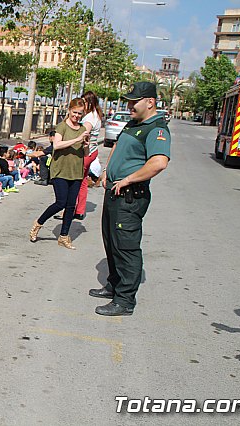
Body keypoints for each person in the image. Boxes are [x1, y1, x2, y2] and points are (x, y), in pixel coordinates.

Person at [89, 82, 170, 316]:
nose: (129, 105)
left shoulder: (156, 129)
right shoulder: (134, 123)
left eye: (134, 101)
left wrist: (128, 179)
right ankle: (114, 285)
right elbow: (116, 146)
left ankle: (124, 300)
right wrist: (106, 171)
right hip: (114, 191)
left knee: (126, 247)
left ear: (150, 102)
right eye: (129, 101)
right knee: (111, 242)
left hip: (130, 195)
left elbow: (159, 162)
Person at [29, 98, 89, 249]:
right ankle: (38, 223)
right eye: (74, 112)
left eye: (80, 114)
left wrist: (86, 144)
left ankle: (64, 236)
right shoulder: (61, 127)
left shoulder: (82, 129)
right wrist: (77, 139)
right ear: (69, 110)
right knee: (60, 202)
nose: (76, 116)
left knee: (70, 206)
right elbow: (57, 145)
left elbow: (85, 152)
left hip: (76, 171)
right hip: (60, 170)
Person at [75, 91, 104, 220]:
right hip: (93, 151)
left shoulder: (89, 118)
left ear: (89, 103)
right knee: (82, 181)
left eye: (83, 102)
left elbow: (83, 135)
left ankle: (72, 209)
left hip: (86, 153)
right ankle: (79, 210)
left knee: (75, 182)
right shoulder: (96, 115)